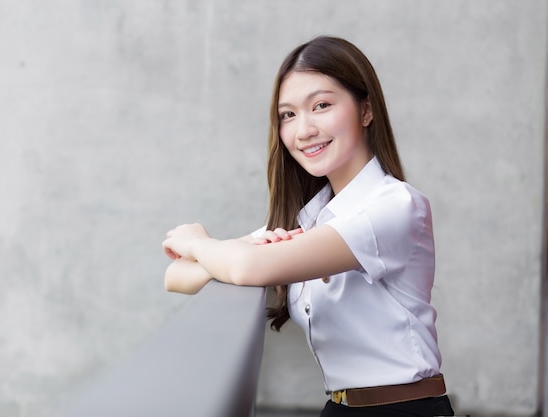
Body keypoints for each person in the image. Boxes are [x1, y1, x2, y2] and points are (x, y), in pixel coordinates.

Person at [162, 36, 455, 417]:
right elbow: (176, 276)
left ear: (365, 111)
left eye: (321, 106)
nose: (303, 130)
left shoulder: (394, 207)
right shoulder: (310, 217)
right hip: (338, 407)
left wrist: (199, 240)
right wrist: (223, 254)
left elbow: (245, 267)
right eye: (288, 115)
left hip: (404, 409)